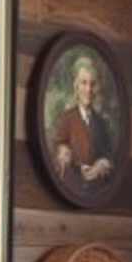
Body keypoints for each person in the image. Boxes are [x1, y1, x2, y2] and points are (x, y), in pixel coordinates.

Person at [50, 54, 115, 193]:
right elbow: (58, 147)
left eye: (92, 84)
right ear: (76, 86)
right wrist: (63, 154)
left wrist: (102, 165)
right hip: (72, 188)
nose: (88, 90)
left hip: (95, 191)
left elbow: (108, 154)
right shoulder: (67, 118)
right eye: (84, 83)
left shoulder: (101, 123)